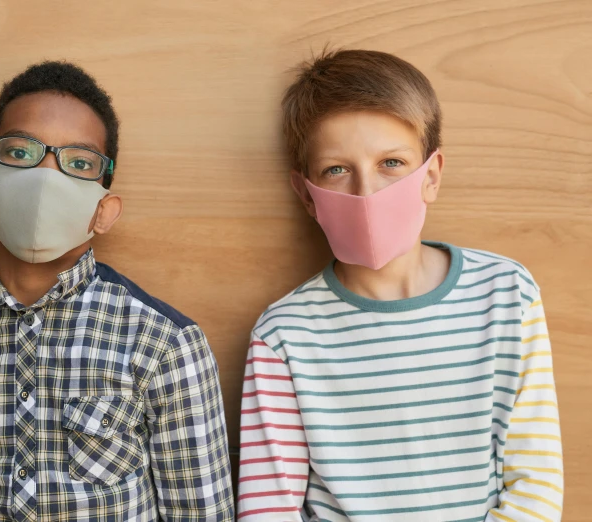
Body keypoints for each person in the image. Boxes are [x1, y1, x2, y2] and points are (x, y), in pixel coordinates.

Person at [0, 61, 234, 522]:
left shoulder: (166, 344)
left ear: (103, 211)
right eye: (20, 153)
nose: (46, 178)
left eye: (79, 163)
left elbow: (201, 513)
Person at [237, 49, 562, 521]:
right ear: (307, 195)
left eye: (391, 162)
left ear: (430, 175)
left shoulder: (508, 294)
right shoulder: (283, 335)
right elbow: (270, 509)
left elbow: (536, 483)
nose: (367, 193)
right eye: (337, 170)